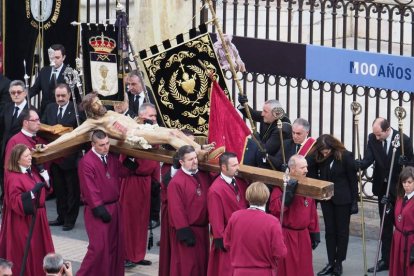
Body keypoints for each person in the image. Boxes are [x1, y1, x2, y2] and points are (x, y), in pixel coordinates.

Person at [38, 93, 213, 159]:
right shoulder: (93, 122)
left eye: (99, 102)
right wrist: (47, 147)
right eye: (96, 104)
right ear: (90, 110)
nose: (100, 105)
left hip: (142, 128)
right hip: (135, 136)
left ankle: (200, 147)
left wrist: (136, 120)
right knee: (169, 137)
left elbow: (125, 119)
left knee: (174, 131)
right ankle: (195, 154)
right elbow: (71, 135)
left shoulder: (107, 113)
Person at [355, 117, 413, 272]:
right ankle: (386, 259)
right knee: (385, 225)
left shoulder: (404, 140)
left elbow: (411, 165)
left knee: (402, 224)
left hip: (398, 189)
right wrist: (360, 164)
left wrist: (405, 162)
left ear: (387, 130)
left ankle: (404, 257)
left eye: (379, 134)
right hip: (382, 189)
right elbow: (369, 158)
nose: (376, 137)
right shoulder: (372, 138)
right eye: (375, 134)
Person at [76, 130, 135, 276]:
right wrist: (99, 209)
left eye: (107, 143)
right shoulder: (86, 162)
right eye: (101, 145)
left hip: (115, 207)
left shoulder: (111, 158)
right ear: (93, 144)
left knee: (115, 246)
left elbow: (122, 172)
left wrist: (132, 160)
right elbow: (89, 188)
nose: (106, 147)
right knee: (99, 248)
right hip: (99, 210)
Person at [0, 144, 54, 276]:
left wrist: (44, 176)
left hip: (38, 217)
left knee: (39, 249)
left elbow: (45, 190)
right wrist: (30, 194)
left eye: (30, 154)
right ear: (18, 159)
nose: (30, 157)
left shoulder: (31, 171)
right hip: (25, 220)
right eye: (26, 156)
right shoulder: (13, 177)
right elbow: (14, 201)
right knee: (28, 250)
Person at [310, 134, 358, 276]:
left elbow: (353, 180)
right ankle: (331, 261)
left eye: (326, 150)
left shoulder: (346, 156)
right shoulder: (320, 157)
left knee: (342, 232)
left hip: (343, 200)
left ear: (333, 147)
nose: (325, 153)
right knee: (330, 232)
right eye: (322, 150)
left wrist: (355, 201)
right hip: (327, 199)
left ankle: (339, 263)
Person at [120, 103, 160, 268]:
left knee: (143, 220)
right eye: (151, 116)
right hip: (133, 182)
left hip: (146, 182)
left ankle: (137, 254)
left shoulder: (155, 134)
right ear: (142, 117)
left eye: (155, 116)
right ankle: (127, 255)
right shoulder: (132, 132)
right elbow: (125, 161)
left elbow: (156, 158)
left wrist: (155, 181)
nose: (154, 119)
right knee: (130, 220)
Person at [269, 154, 320, 276]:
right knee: (288, 269)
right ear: (292, 169)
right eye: (302, 168)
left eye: (306, 167)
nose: (306, 170)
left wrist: (314, 232)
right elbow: (274, 208)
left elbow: (312, 211)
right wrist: (287, 196)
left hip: (304, 236)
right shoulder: (282, 186)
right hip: (287, 235)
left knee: (304, 268)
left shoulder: (307, 185)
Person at [223, 181, 287, 275]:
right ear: (266, 197)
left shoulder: (235, 217)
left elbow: (227, 243)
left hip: (239, 271)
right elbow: (280, 252)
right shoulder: (272, 222)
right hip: (263, 271)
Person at [41, 83, 81, 231]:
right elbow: (43, 125)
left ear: (69, 95)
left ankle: (70, 219)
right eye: (58, 95)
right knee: (59, 189)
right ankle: (61, 217)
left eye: (63, 95)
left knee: (72, 190)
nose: (60, 98)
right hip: (54, 156)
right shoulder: (50, 108)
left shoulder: (76, 109)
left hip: (70, 156)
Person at [167, 145, 212, 276]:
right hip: (188, 232)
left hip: (202, 230)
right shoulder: (176, 182)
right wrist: (184, 231)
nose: (195, 161)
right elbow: (176, 209)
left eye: (195, 158)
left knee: (202, 265)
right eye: (190, 159)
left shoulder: (202, 175)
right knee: (188, 267)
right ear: (181, 162)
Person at [207, 152, 249, 276]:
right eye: (234, 165)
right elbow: (215, 216)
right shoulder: (215, 190)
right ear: (224, 167)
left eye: (237, 164)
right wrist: (219, 237)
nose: (238, 168)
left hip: (241, 236)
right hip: (227, 238)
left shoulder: (240, 182)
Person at [237, 97, 291, 169]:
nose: (262, 114)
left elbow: (265, 150)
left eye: (265, 111)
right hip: (261, 156)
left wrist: (257, 139)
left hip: (272, 164)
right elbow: (252, 114)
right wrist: (243, 104)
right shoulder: (269, 116)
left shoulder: (282, 129)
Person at [0, 80, 28, 202]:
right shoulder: (7, 107)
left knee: (20, 179)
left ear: (25, 93)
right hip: (5, 149)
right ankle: (6, 199)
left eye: (18, 92)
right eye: (12, 93)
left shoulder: (31, 110)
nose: (16, 95)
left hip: (22, 151)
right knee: (5, 177)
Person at [30, 44, 70, 115]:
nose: (54, 61)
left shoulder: (69, 72)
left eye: (57, 58)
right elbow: (35, 89)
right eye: (52, 58)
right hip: (44, 111)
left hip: (61, 112)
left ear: (63, 57)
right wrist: (23, 96)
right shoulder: (44, 71)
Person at [388, 166, 414, 276]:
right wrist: (389, 210)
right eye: (404, 182)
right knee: (397, 268)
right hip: (398, 239)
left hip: (411, 242)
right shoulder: (400, 198)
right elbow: (397, 221)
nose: (406, 185)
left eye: (409, 182)